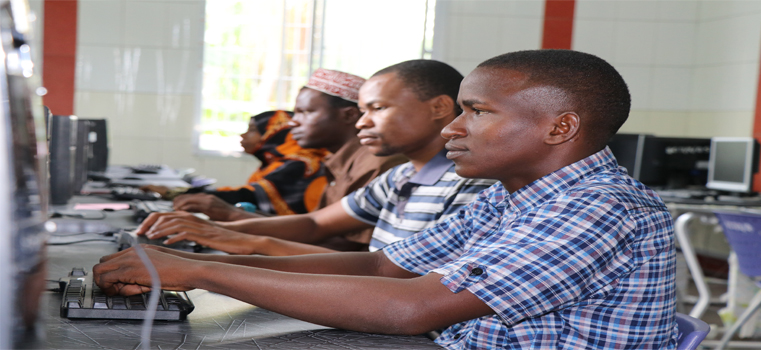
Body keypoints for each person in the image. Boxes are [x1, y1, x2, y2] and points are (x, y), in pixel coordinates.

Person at [94, 50, 677, 349]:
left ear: (559, 127)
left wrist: (202, 272)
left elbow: (414, 306)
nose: (455, 127)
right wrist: (205, 266)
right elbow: (385, 264)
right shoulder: (512, 196)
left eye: (477, 112)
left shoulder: (597, 208)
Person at [135, 59, 495, 256]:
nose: (363, 121)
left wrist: (244, 243)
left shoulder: (472, 186)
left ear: (438, 108)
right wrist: (219, 230)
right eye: (363, 109)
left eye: (378, 109)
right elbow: (316, 225)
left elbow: (389, 274)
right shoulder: (399, 178)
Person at [171, 69, 406, 234]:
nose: (292, 123)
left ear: (348, 115)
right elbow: (312, 227)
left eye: (305, 112)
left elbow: (338, 244)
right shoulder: (337, 162)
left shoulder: (377, 165)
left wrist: (230, 224)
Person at [145, 110, 330, 216]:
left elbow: (247, 196)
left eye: (252, 130)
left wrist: (174, 193)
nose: (243, 135)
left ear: (274, 133)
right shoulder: (278, 162)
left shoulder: (301, 164)